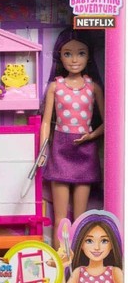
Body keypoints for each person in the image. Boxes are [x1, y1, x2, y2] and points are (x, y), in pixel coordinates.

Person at [40, 28, 104, 248]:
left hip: (85, 151)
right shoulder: (55, 86)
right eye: (68, 54)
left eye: (81, 53)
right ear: (60, 56)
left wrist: (91, 135)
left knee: (80, 215)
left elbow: (109, 122)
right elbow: (46, 122)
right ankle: (59, 256)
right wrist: (42, 150)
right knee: (60, 217)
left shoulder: (93, 87)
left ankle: (78, 255)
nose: (74, 60)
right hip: (60, 149)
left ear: (89, 56)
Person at [53, 211, 123, 283]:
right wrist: (62, 267)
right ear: (81, 244)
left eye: (104, 241)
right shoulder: (79, 273)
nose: (97, 247)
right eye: (89, 241)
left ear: (112, 244)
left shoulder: (114, 272)